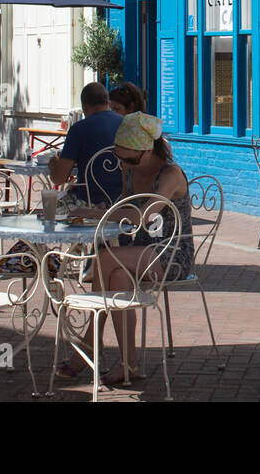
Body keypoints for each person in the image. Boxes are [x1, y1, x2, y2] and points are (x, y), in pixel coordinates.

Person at [57, 112, 195, 386]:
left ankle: (89, 343)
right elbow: (121, 207)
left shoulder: (170, 174)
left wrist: (98, 214)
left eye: (130, 159)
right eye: (121, 159)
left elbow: (142, 216)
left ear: (147, 150)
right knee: (117, 279)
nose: (125, 165)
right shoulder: (130, 170)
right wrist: (101, 211)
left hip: (170, 254)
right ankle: (128, 364)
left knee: (106, 258)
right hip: (139, 251)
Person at [48, 83, 123, 207]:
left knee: (53, 206)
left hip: (89, 200)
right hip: (122, 200)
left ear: (85, 107)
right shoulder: (125, 124)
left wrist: (53, 164)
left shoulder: (79, 129)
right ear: (108, 103)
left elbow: (59, 179)